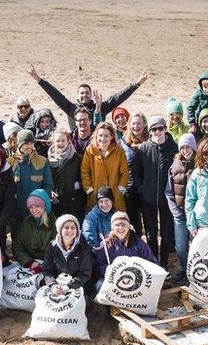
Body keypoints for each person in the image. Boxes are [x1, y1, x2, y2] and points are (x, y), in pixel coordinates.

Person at [28, 62, 149, 125]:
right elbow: (56, 95)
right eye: (81, 93)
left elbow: (118, 97)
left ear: (91, 95)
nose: (84, 95)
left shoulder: (101, 107)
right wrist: (39, 80)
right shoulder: (72, 109)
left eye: (87, 93)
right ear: (77, 96)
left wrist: (137, 84)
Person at [131, 116, 178, 266]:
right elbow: (135, 172)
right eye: (153, 129)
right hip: (148, 200)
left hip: (168, 201)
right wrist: (141, 189)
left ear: (165, 129)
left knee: (166, 234)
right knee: (151, 234)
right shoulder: (142, 149)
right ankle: (153, 263)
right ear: (149, 131)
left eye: (160, 128)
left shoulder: (174, 148)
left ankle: (164, 263)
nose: (157, 132)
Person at [93, 212, 157, 289]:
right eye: (117, 225)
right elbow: (99, 264)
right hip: (113, 279)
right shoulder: (106, 244)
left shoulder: (138, 243)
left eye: (124, 224)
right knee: (99, 285)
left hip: (136, 278)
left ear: (128, 226)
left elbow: (152, 262)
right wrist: (110, 270)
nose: (121, 228)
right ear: (112, 227)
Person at [165, 134, 197, 284]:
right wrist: (175, 211)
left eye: (188, 146)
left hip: (196, 215)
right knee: (180, 247)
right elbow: (169, 191)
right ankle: (185, 270)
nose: (186, 150)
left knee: (194, 246)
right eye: (183, 147)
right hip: (179, 214)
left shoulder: (200, 164)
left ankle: (195, 273)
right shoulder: (175, 165)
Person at [9, 130, 55, 225]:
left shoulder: (43, 161)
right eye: (26, 143)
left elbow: (48, 186)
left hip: (36, 212)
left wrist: (41, 205)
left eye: (31, 143)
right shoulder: (9, 162)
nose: (29, 146)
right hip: (15, 212)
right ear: (19, 144)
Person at [82, 122, 129, 211]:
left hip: (115, 194)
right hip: (96, 195)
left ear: (111, 136)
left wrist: (120, 189)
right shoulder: (90, 150)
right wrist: (89, 190)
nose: (103, 138)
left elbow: (124, 172)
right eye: (100, 135)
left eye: (106, 135)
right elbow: (85, 171)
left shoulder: (119, 151)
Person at [44, 213, 94, 293]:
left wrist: (68, 287)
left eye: (73, 227)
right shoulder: (52, 246)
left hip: (78, 286)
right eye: (66, 227)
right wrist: (53, 285)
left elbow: (85, 273)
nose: (70, 230)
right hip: (57, 285)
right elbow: (47, 270)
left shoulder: (83, 247)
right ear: (60, 230)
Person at [12, 189, 56, 272]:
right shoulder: (26, 223)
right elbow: (17, 246)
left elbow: (58, 252)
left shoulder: (56, 224)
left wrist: (44, 266)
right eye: (31, 207)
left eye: (37, 206)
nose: (34, 210)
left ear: (45, 206)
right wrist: (29, 262)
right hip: (28, 265)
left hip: (49, 266)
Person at [48, 128, 85, 222]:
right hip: (56, 204)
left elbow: (83, 178)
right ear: (53, 142)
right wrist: (49, 191)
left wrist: (77, 187)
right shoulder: (47, 161)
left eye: (63, 140)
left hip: (74, 204)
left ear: (68, 141)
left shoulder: (77, 158)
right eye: (58, 141)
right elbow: (45, 180)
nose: (60, 143)